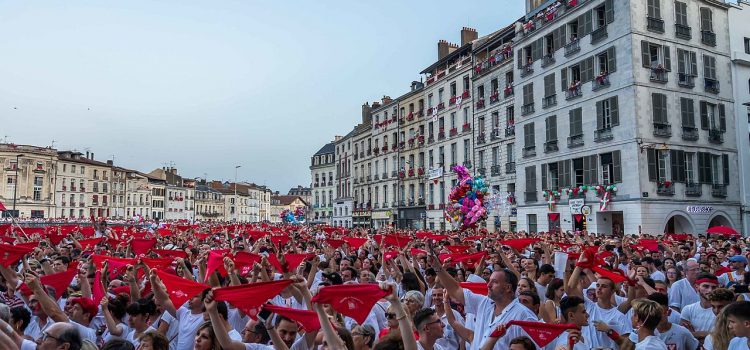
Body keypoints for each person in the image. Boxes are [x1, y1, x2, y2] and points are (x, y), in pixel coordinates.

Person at [432, 250, 537, 350]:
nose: (488, 285)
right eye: (489, 281)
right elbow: (455, 289)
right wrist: (437, 266)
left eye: (494, 282)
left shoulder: (524, 317)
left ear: (508, 287)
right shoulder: (484, 303)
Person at [680, 273, 719, 340]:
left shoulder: (722, 310)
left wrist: (697, 334)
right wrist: (711, 334)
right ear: (696, 287)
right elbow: (684, 335)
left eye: (714, 287)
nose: (710, 290)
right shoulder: (688, 309)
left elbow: (723, 335)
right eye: (706, 286)